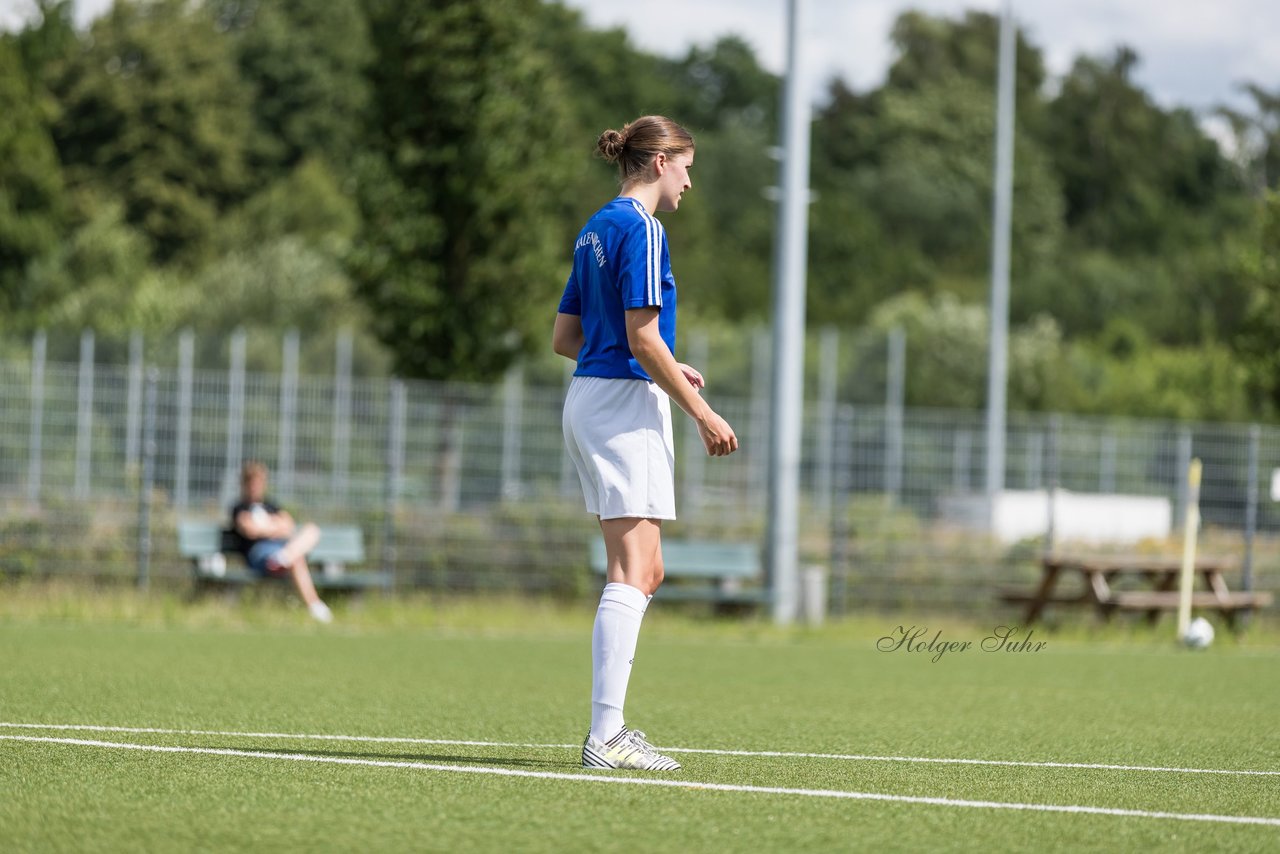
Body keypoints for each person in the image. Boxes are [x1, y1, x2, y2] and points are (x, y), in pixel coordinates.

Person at [553, 116, 739, 771]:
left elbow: (567, 338)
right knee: (633, 570)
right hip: (621, 407)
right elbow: (641, 336)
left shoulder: (595, 227)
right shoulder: (645, 229)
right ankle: (606, 735)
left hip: (595, 395)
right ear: (659, 161)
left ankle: (611, 730)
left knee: (647, 570)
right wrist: (702, 411)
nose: (689, 181)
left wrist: (664, 367)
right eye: (686, 166)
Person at [229, 461, 333, 624]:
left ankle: (284, 557)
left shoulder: (271, 505)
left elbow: (289, 526)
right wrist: (274, 525)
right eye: (252, 483)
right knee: (297, 559)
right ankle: (315, 605)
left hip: (282, 548)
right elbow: (250, 530)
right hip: (260, 554)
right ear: (245, 484)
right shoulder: (239, 507)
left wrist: (265, 525)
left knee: (312, 530)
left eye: (259, 482)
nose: (256, 487)